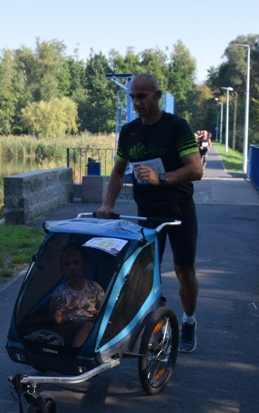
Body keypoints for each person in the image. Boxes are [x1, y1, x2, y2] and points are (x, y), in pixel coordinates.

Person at [98, 73, 204, 352]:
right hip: (146, 214)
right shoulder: (129, 132)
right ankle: (154, 322)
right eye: (133, 96)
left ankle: (189, 320)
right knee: (145, 271)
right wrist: (107, 204)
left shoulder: (176, 127)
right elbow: (118, 171)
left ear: (157, 96)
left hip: (178, 210)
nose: (136, 102)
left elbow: (196, 169)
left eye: (142, 96)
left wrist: (163, 179)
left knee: (184, 270)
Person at [49, 244, 106, 348]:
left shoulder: (94, 287)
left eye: (76, 263)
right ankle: (75, 353)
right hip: (68, 326)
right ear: (63, 269)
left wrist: (96, 313)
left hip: (89, 325)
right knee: (86, 326)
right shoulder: (61, 292)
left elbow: (103, 311)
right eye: (67, 264)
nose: (72, 267)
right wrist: (55, 313)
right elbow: (58, 320)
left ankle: (75, 349)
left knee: (90, 325)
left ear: (84, 265)